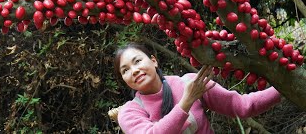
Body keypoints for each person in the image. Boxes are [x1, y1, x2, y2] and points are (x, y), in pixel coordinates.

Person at [114, 43, 281, 134]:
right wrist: (186, 102)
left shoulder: (190, 83)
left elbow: (243, 106)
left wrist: (283, 88)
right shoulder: (129, 113)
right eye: (125, 70)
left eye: (137, 61)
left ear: (154, 61)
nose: (134, 70)